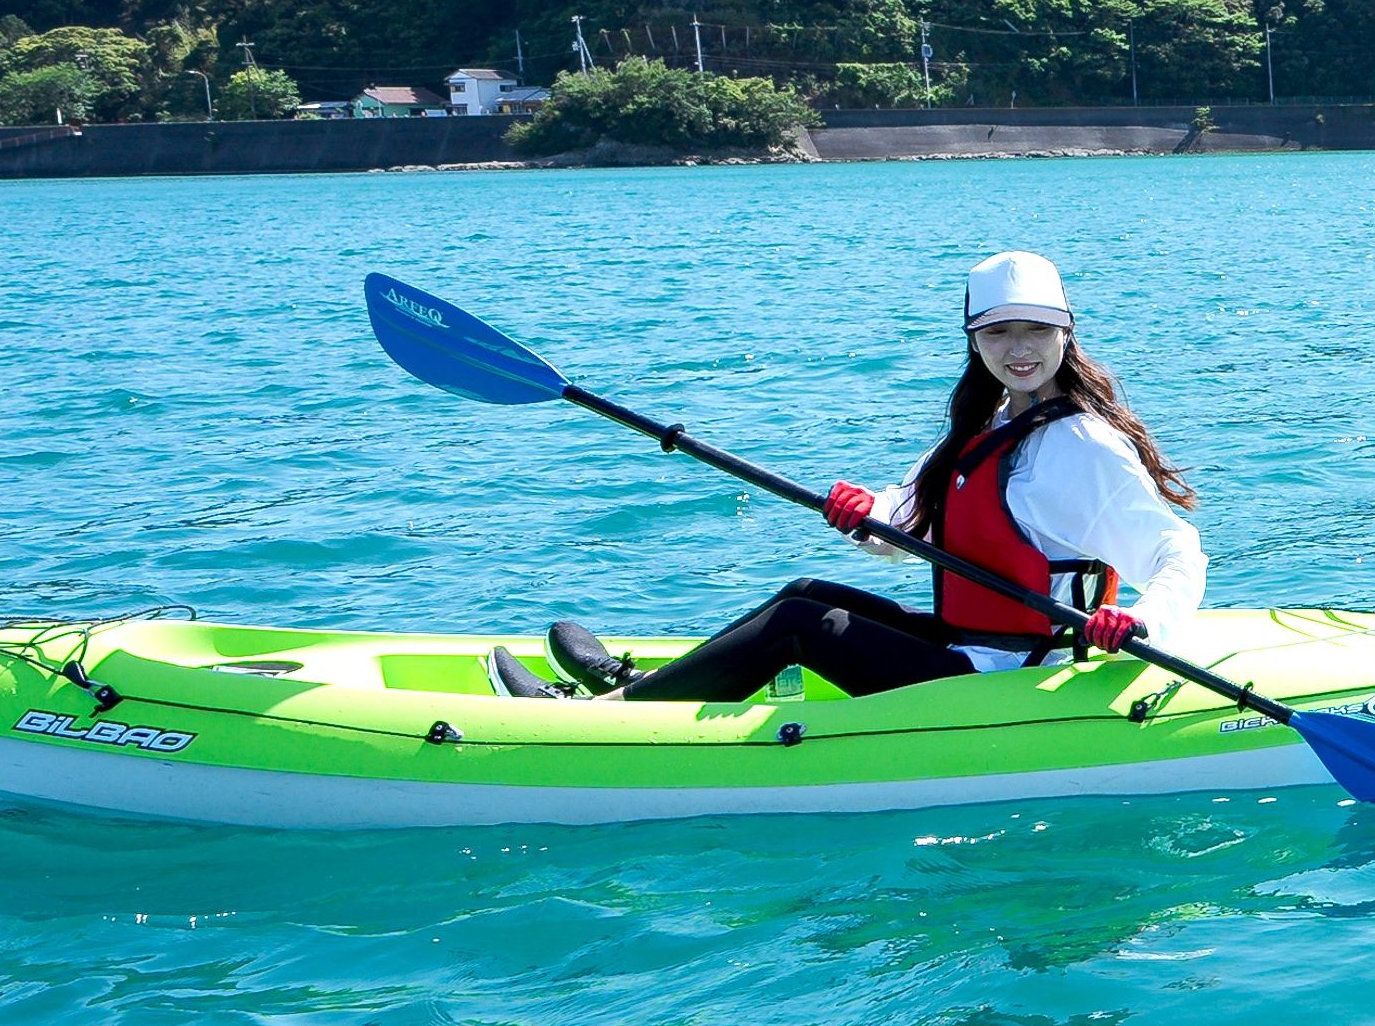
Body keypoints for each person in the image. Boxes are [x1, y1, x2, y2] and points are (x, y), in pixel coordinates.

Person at [502, 250, 1207, 702]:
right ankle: (651, 688)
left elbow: (1178, 555)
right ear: (972, 339)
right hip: (968, 647)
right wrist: (863, 511)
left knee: (801, 625)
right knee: (806, 592)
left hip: (1015, 677)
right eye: (998, 333)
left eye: (1036, 331)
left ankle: (616, 712)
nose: (1019, 350)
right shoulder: (985, 424)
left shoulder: (1083, 442)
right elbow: (906, 527)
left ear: (1066, 334)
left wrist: (1139, 619)